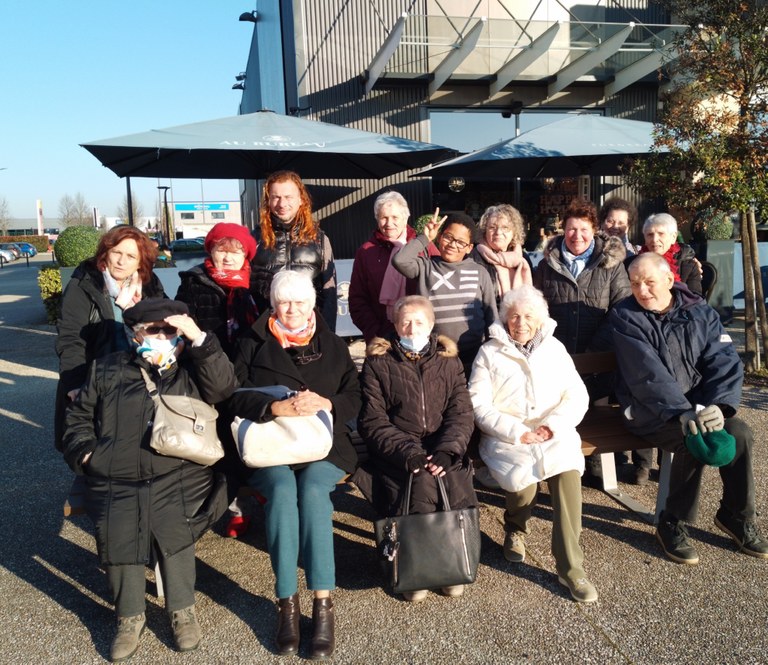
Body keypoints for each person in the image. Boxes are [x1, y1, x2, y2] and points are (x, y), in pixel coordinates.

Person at [61, 299, 236, 661]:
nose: (162, 336)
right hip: (115, 472)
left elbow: (223, 389)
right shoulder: (106, 368)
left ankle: (182, 610)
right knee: (118, 526)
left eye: (169, 330)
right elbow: (77, 419)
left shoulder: (191, 368)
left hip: (177, 471)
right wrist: (87, 455)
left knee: (173, 524)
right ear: (136, 334)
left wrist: (198, 338)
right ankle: (129, 617)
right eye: (153, 330)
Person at [228, 270, 361, 660]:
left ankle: (323, 603)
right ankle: (286, 601)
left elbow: (354, 394)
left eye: (300, 302)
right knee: (283, 493)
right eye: (284, 302)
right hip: (270, 444)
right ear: (273, 304)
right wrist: (272, 407)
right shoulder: (251, 342)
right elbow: (230, 395)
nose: (292, 309)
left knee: (314, 491)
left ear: (312, 304)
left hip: (323, 445)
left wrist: (327, 403)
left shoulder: (331, 343)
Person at [610, 253, 768, 565]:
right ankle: (672, 521)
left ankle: (737, 515)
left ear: (669, 280)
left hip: (698, 404)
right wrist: (682, 412)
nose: (642, 290)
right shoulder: (625, 316)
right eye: (635, 283)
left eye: (649, 282)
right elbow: (646, 375)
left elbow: (723, 359)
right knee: (692, 438)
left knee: (739, 432)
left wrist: (719, 405)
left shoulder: (700, 311)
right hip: (648, 410)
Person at [468, 285, 597, 603]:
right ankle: (515, 528)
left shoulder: (554, 349)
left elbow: (576, 395)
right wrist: (516, 432)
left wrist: (552, 426)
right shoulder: (489, 353)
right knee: (522, 481)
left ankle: (571, 568)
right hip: (507, 436)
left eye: (528, 316)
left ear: (540, 319)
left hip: (553, 432)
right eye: (514, 316)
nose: (521, 323)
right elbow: (478, 404)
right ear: (505, 319)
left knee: (567, 474)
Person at [358, 296, 477, 602]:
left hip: (441, 445)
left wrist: (448, 450)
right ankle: (416, 569)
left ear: (431, 324)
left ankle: (451, 565)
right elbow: (373, 420)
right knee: (419, 481)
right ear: (396, 325)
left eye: (419, 322)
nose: (412, 329)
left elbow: (461, 413)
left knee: (450, 478)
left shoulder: (448, 361)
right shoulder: (378, 362)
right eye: (405, 322)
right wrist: (408, 452)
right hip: (398, 448)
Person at [175, 222, 259, 538]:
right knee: (221, 442)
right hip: (208, 374)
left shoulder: (257, 284)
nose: (227, 257)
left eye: (235, 252)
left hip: (248, 371)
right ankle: (236, 507)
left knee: (251, 435)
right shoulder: (193, 283)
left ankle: (259, 489)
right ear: (210, 251)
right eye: (221, 250)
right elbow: (182, 330)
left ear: (245, 256)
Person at [392, 209, 497, 376]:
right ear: (439, 237)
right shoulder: (425, 267)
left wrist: (493, 351)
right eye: (448, 237)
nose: (452, 245)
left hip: (474, 355)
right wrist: (425, 238)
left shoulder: (479, 272)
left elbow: (491, 315)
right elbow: (400, 260)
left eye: (460, 242)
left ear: (469, 248)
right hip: (434, 356)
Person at [533, 198, 631, 355]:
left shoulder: (612, 265)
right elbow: (535, 310)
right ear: (564, 230)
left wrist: (596, 347)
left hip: (599, 357)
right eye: (572, 229)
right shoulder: (546, 266)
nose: (577, 236)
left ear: (594, 230)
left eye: (584, 229)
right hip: (556, 356)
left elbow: (622, 310)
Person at [251, 170, 337, 330]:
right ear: (268, 201)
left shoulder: (320, 239)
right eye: (276, 197)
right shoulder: (253, 239)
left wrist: (327, 334)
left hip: (309, 332)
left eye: (288, 197)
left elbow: (329, 294)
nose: (282, 204)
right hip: (266, 332)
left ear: (301, 200)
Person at [348, 191, 439, 342]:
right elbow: (357, 299)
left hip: (420, 337)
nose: (389, 223)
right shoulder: (365, 252)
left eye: (395, 217)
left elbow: (440, 290)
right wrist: (375, 333)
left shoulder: (424, 247)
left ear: (405, 218)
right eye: (384, 218)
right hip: (381, 338)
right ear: (377, 219)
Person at [471, 203, 532, 307]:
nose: (498, 232)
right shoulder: (474, 258)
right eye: (492, 227)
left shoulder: (523, 259)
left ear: (514, 232)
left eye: (505, 227)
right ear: (484, 231)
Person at [630, 212, 702, 295]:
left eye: (661, 234)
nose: (654, 239)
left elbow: (695, 298)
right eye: (650, 234)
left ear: (673, 237)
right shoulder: (631, 264)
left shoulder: (688, 266)